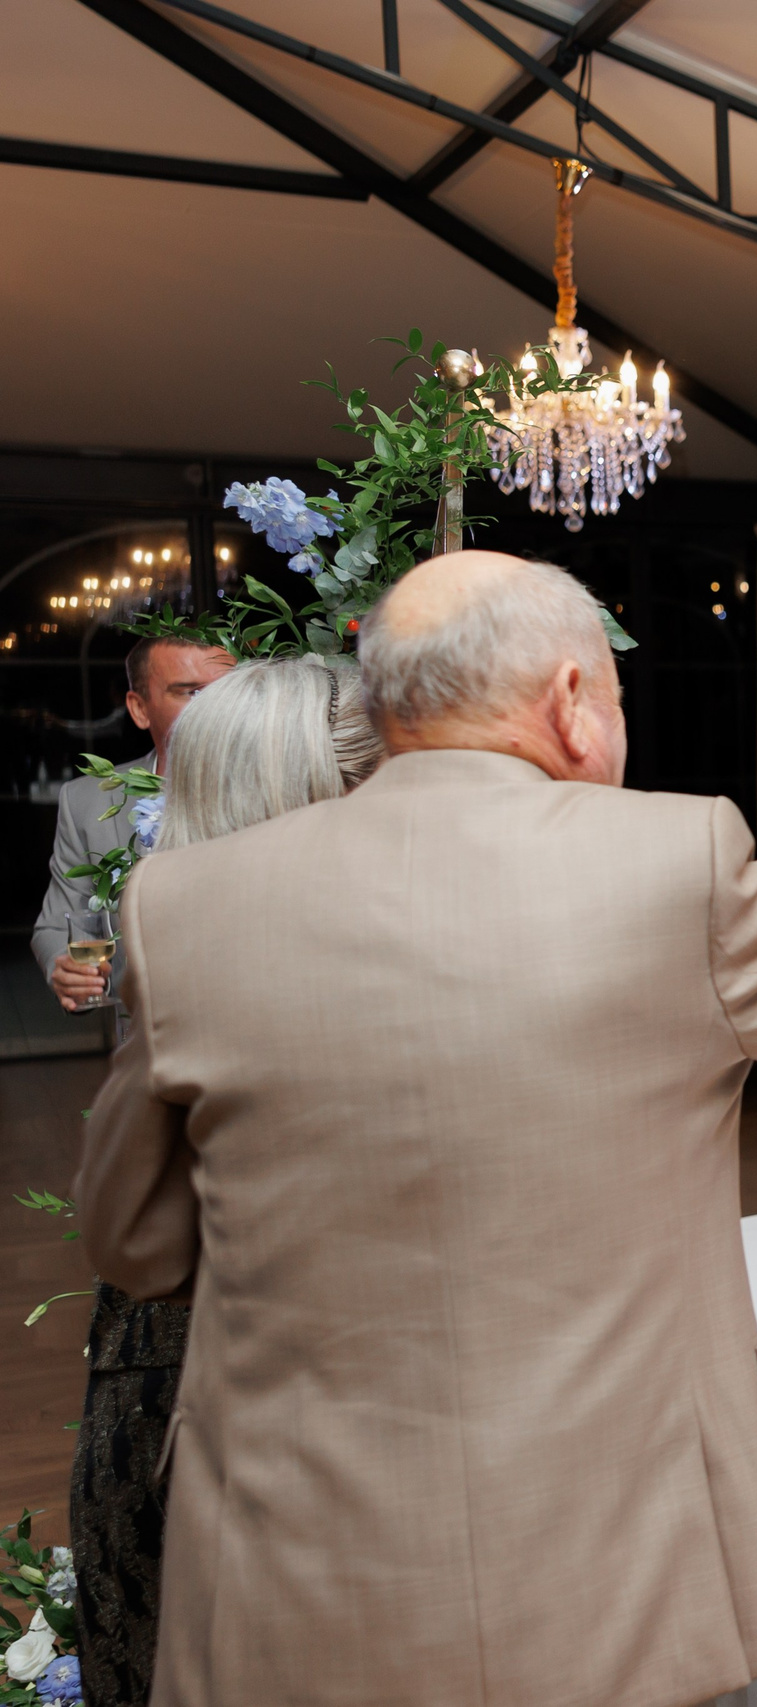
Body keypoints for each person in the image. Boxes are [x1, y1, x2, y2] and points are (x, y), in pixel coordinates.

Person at [75, 552, 757, 1707]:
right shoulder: (667, 856)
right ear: (570, 701)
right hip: (613, 1560)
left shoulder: (185, 906)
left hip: (293, 1580)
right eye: (617, 698)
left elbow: (138, 1242)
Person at [68, 653, 381, 1707]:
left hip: (183, 1389)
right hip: (210, 1418)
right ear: (327, 792)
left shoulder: (179, 932)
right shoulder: (369, 957)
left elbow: (122, 1235)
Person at [31, 635, 233, 1009]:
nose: (217, 708)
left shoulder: (286, 790)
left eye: (230, 691)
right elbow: (58, 926)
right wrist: (69, 969)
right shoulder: (88, 802)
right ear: (140, 709)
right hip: (146, 1039)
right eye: (191, 692)